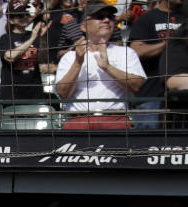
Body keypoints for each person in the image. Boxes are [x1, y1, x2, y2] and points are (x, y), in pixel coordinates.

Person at [55, 0, 145, 117]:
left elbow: (136, 86)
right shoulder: (71, 56)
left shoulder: (127, 52)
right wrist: (78, 62)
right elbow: (63, 93)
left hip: (115, 121)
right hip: (79, 121)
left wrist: (107, 67)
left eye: (110, 17)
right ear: (83, 26)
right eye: (100, 17)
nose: (107, 20)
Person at [128, 0, 182, 128]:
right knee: (148, 144)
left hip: (183, 96)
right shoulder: (147, 19)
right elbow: (135, 50)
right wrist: (167, 44)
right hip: (152, 96)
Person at [0, 1, 49, 108]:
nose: (24, 17)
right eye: (20, 15)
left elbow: (43, 57)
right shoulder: (6, 38)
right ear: (11, 20)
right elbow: (10, 56)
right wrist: (33, 38)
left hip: (34, 93)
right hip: (12, 96)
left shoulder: (32, 34)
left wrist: (43, 37)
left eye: (26, 13)